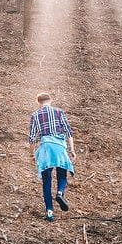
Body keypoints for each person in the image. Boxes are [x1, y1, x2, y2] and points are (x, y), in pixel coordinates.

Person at [28, 92, 77, 222]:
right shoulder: (59, 112)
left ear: (38, 102)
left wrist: (32, 154)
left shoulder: (35, 115)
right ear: (50, 100)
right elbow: (68, 132)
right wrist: (72, 149)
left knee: (47, 182)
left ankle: (49, 212)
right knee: (62, 175)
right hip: (59, 147)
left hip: (45, 150)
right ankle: (60, 193)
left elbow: (32, 138)